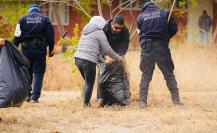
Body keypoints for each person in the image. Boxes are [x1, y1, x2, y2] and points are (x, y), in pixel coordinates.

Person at [137, 1, 183, 108]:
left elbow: (140, 34)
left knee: (146, 75)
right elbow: (174, 28)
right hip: (161, 47)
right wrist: (165, 37)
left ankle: (142, 102)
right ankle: (176, 101)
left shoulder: (140, 17)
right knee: (169, 74)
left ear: (144, 8)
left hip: (147, 48)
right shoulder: (165, 13)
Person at [74, 16, 122, 108]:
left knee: (87, 82)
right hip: (88, 61)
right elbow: (107, 49)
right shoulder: (99, 33)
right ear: (100, 24)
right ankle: (86, 105)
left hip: (78, 59)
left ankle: (85, 101)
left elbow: (93, 49)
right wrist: (117, 58)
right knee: (89, 83)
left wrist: (103, 60)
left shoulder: (85, 32)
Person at [13, 4, 54, 103]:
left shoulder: (22, 19)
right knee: (38, 73)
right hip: (40, 50)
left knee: (27, 72)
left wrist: (14, 47)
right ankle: (34, 98)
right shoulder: (45, 19)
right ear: (38, 11)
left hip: (26, 50)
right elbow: (50, 36)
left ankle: (27, 95)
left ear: (29, 11)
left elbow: (17, 35)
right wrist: (51, 50)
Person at [97, 16, 130, 106]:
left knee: (122, 75)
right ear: (112, 24)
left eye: (120, 28)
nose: (118, 30)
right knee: (102, 76)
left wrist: (117, 57)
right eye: (116, 28)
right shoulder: (104, 28)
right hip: (105, 55)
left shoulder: (125, 31)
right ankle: (101, 98)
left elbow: (124, 46)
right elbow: (100, 44)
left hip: (117, 56)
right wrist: (104, 56)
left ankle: (124, 99)